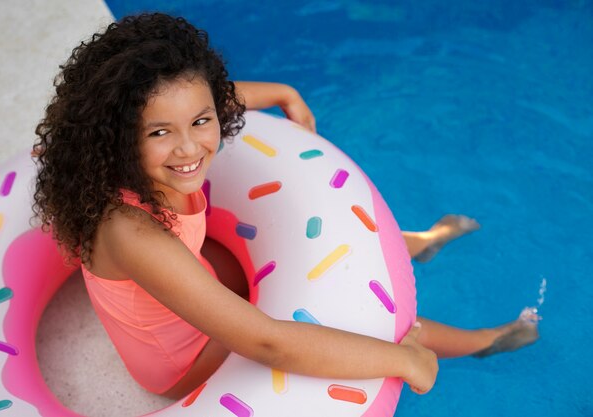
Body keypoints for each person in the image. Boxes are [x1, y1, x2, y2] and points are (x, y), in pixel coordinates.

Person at [33, 13, 538, 401]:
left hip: (192, 277)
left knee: (339, 252)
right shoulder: (129, 231)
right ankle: (483, 341)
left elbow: (211, 104)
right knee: (381, 327)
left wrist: (286, 93)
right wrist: (404, 362)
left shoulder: (172, 147)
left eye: (201, 122)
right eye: (160, 133)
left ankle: (418, 243)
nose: (189, 149)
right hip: (181, 361)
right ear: (118, 137)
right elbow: (265, 341)